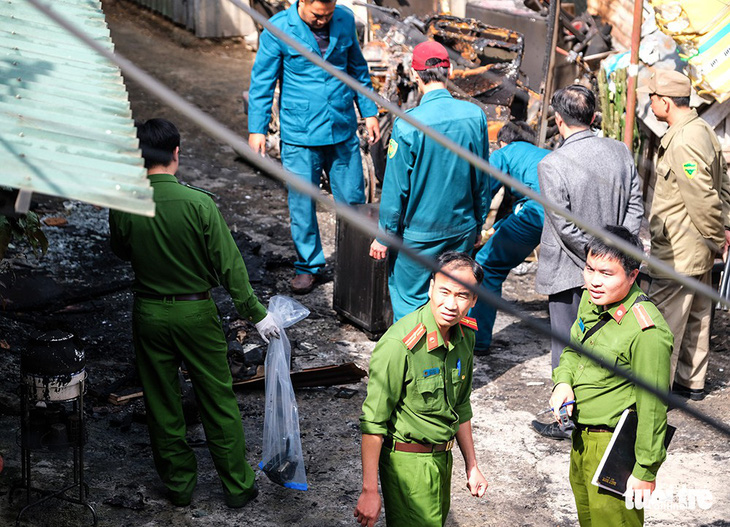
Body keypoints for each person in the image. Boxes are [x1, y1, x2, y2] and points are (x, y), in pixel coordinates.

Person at [109, 119, 280, 508]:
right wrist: (256, 313)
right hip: (195, 312)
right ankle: (237, 487)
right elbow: (230, 266)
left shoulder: (124, 202)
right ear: (176, 153)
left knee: (161, 400)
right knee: (216, 399)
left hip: (148, 312)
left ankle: (180, 486)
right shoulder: (199, 203)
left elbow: (120, 251)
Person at [532, 85, 644, 439]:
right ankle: (605, 412)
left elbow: (563, 226)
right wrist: (616, 259)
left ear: (558, 121)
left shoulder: (552, 163)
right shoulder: (620, 151)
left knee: (566, 346)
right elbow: (635, 206)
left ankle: (566, 419)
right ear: (594, 117)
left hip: (569, 269)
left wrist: (597, 260)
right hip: (616, 273)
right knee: (607, 342)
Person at [247, 0, 380, 295]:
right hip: (300, 132)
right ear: (302, 2)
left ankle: (356, 260)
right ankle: (309, 266)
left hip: (342, 126)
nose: (323, 20)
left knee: (353, 200)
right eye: (317, 15)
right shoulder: (279, 28)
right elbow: (262, 82)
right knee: (302, 202)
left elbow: (357, 69)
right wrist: (256, 129)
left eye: (329, 14)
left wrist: (369, 111)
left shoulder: (344, 19)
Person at [550, 226, 673, 527]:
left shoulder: (647, 332)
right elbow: (573, 350)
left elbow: (654, 407)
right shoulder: (593, 303)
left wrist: (645, 470)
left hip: (616, 450)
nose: (594, 280)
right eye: (590, 268)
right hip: (581, 440)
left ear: (633, 275)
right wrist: (564, 381)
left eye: (607, 273)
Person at [355, 252, 488, 527]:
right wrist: (370, 490)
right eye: (444, 291)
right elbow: (373, 423)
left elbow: (460, 406)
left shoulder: (466, 336)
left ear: (475, 300)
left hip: (442, 460)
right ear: (430, 288)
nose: (451, 304)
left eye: (463, 295)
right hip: (408, 466)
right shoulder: (399, 344)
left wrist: (471, 465)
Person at [369, 41, 490, 321]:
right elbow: (482, 178)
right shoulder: (475, 116)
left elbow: (396, 187)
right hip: (462, 228)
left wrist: (384, 234)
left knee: (410, 300)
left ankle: (415, 362)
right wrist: (479, 224)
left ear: (415, 74)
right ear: (449, 71)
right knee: (453, 296)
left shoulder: (408, 123)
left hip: (420, 235)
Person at [639, 69, 730, 401]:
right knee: (698, 315)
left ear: (664, 101)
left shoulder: (685, 140)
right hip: (697, 246)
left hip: (682, 248)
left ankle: (651, 392)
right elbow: (724, 185)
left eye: (651, 98)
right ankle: (690, 383)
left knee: (662, 321)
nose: (649, 103)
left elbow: (703, 196)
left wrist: (716, 236)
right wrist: (725, 228)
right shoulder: (701, 129)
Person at [470, 121, 548, 353]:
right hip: (566, 215)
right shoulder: (542, 154)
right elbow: (518, 205)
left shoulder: (504, 153)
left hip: (537, 211)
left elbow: (486, 190)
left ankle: (478, 340)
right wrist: (496, 228)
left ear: (502, 142)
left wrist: (476, 226)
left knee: (487, 265)